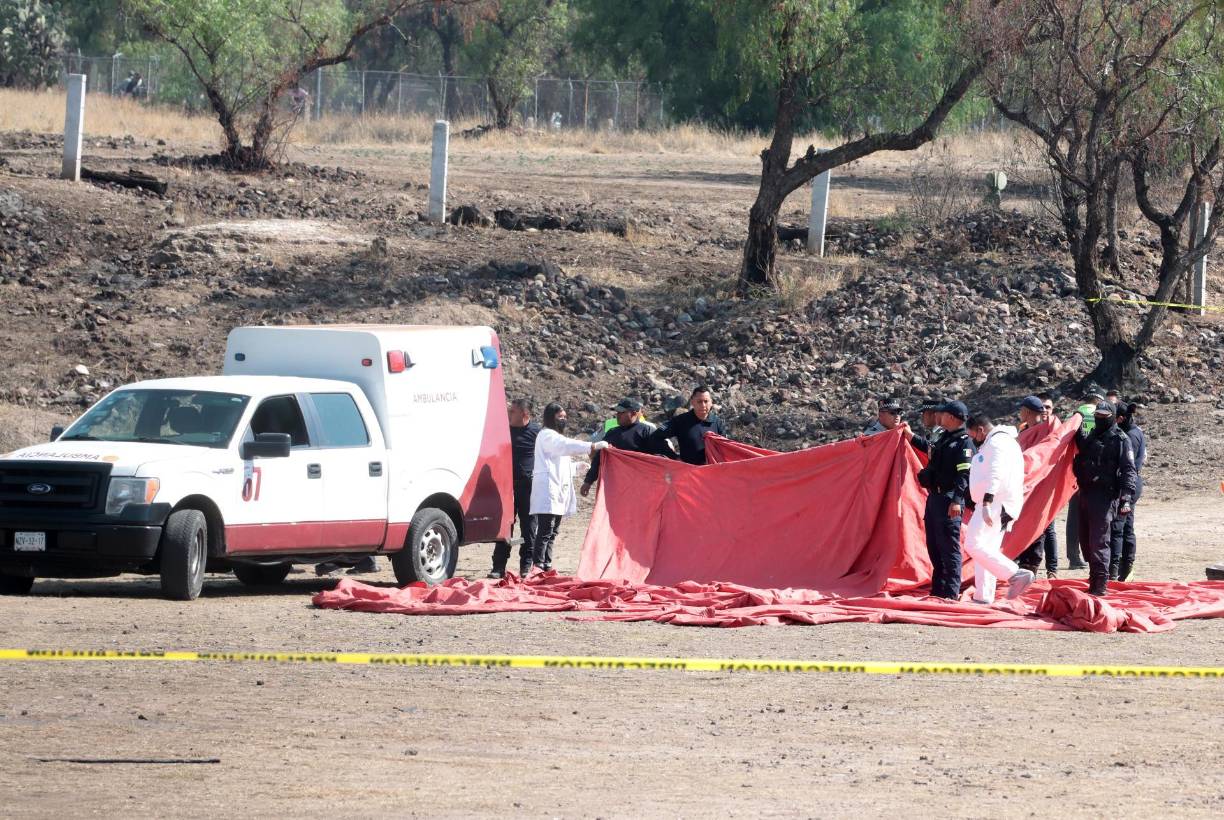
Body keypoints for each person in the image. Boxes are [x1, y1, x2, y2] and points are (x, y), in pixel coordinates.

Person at [528, 403, 609, 574]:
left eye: (565, 417)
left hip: (557, 491)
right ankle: (538, 565)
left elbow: (560, 461)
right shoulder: (547, 435)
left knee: (553, 530)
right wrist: (591, 446)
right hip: (548, 491)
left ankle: (546, 564)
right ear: (551, 417)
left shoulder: (555, 437)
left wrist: (575, 467)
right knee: (545, 530)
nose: (563, 419)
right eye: (560, 417)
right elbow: (564, 446)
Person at [963, 414, 1035, 603]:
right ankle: (984, 595)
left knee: (973, 544)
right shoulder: (1003, 442)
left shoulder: (996, 444)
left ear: (980, 430)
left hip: (995, 503)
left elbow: (996, 473)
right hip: (998, 502)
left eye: (973, 435)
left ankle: (1015, 574)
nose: (973, 440)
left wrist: (986, 501)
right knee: (987, 549)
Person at [905, 401, 974, 599]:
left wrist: (956, 501)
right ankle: (938, 592)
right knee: (935, 547)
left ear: (951, 417)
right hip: (935, 498)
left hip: (949, 499)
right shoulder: (944, 437)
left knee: (949, 550)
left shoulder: (963, 442)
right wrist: (911, 437)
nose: (938, 417)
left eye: (942, 414)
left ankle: (950, 594)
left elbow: (964, 475)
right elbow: (930, 449)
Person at [1071, 402, 1138, 596]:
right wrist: (1076, 421)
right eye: (1097, 416)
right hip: (1086, 493)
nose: (1101, 419)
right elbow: (1081, 444)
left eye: (1104, 416)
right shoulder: (1093, 435)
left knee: (1099, 542)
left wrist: (1126, 498)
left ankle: (1099, 586)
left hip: (1105, 497)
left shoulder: (1121, 439)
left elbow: (1129, 470)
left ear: (1112, 416)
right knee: (1085, 541)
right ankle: (1094, 579)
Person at [490, 398, 541, 579]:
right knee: (504, 527)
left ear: (525, 414)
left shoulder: (537, 432)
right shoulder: (504, 431)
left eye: (513, 412)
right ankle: (498, 567)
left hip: (528, 487)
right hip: (506, 488)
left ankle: (526, 567)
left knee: (529, 528)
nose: (509, 414)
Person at [1016, 395, 1059, 579]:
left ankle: (1033, 565)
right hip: (1022, 485)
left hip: (1038, 485)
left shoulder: (1045, 431)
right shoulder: (1024, 430)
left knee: (1041, 527)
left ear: (1026, 411)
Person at [581, 398, 655, 497]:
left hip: (639, 487)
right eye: (617, 412)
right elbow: (599, 458)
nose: (617, 415)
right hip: (615, 487)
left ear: (633, 413)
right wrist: (588, 481)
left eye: (621, 412)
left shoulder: (647, 431)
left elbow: (659, 457)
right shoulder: (612, 432)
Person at [1065, 388, 1105, 571]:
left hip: (1076, 469)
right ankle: (1093, 554)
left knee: (1074, 515)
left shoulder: (1076, 415)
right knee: (1096, 515)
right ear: (1098, 400)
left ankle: (1074, 557)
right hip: (1097, 470)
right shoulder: (1101, 414)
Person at [1111, 402, 1146, 581]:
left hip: (1128, 485)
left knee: (1118, 527)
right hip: (1132, 484)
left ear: (1121, 418)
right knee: (1126, 526)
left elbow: (1126, 466)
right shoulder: (1135, 431)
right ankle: (1125, 571)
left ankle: (1115, 570)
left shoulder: (1130, 436)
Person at [648, 386, 726, 465]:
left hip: (712, 470)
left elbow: (725, 447)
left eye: (706, 401)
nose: (703, 405)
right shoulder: (680, 421)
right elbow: (655, 438)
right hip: (689, 472)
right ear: (692, 402)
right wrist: (674, 457)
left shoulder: (717, 422)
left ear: (711, 402)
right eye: (699, 401)